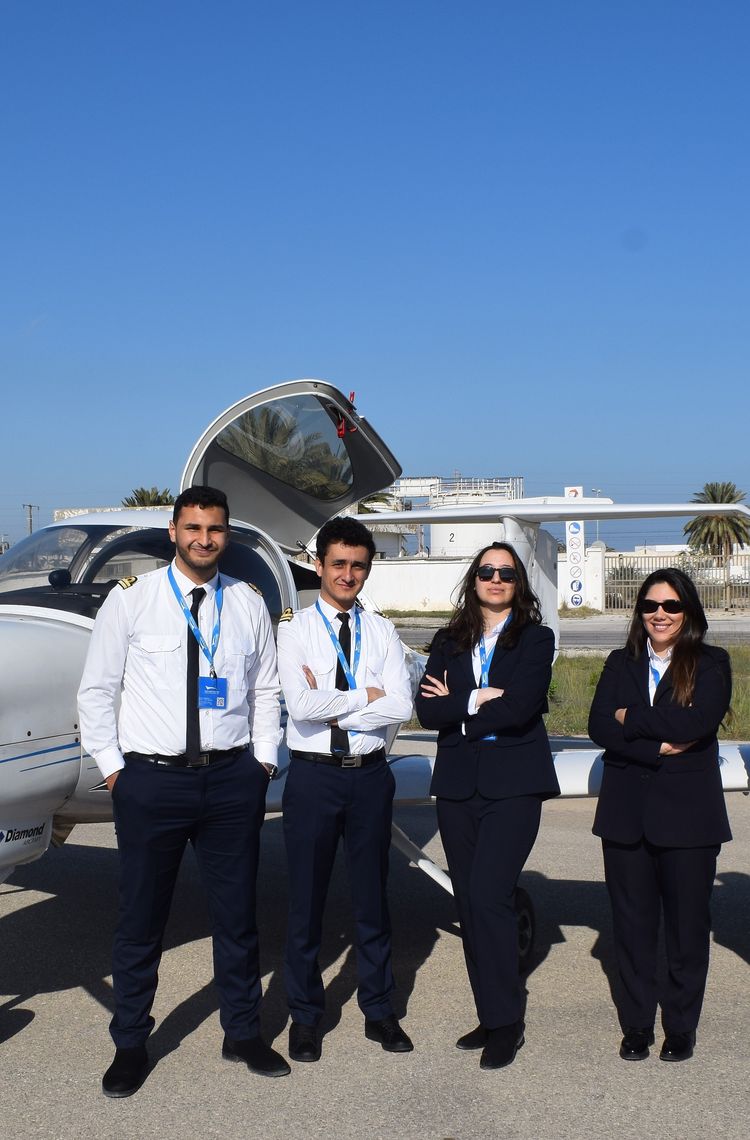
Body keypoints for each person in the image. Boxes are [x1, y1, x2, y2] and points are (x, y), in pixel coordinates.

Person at [78, 486, 288, 1097]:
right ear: (173, 532)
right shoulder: (132, 600)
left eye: (214, 529)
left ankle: (242, 1033)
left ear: (227, 535)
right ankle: (130, 1044)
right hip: (151, 782)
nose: (204, 539)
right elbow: (97, 691)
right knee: (141, 920)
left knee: (237, 917)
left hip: (231, 781)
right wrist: (116, 771)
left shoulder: (247, 602)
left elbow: (267, 690)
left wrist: (263, 763)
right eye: (192, 528)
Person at [414, 542, 559, 1070]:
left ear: (519, 584)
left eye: (506, 573)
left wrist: (458, 710)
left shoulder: (536, 638)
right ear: (473, 580)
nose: (496, 579)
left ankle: (506, 1021)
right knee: (470, 905)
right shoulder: (449, 641)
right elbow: (425, 711)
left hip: (513, 786)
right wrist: (477, 698)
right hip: (458, 786)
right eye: (486, 571)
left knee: (489, 895)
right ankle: (491, 1012)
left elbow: (522, 706)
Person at [277, 516, 414, 1063]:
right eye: (338, 563)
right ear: (319, 565)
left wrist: (335, 703)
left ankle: (379, 1011)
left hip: (369, 777)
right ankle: (305, 1017)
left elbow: (401, 706)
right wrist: (365, 696)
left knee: (372, 900)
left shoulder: (381, 631)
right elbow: (300, 705)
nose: (348, 574)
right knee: (305, 903)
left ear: (368, 570)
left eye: (358, 565)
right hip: (314, 777)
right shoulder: (293, 630)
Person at [588, 567, 731, 1063]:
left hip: (689, 818)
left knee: (687, 929)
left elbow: (698, 721)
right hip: (626, 815)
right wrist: (656, 745)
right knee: (631, 928)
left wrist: (630, 716)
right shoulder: (619, 662)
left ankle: (680, 1028)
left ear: (687, 611)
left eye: (671, 605)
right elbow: (598, 725)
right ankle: (636, 1027)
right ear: (640, 612)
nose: (660, 614)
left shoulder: (711, 662)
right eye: (650, 605)